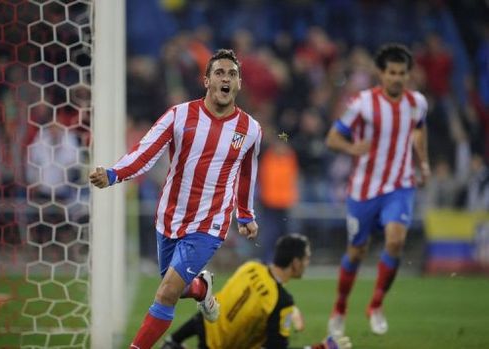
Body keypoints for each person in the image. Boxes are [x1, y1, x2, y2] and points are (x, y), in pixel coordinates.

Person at [89, 49, 262, 349]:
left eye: (232, 74)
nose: (225, 78)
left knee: (167, 292)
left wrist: (245, 215)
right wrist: (115, 173)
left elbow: (246, 174)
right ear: (206, 80)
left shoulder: (250, 130)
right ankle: (201, 288)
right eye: (219, 73)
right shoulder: (180, 115)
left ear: (239, 84)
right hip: (170, 217)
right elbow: (146, 150)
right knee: (177, 288)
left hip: (210, 224)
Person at [325, 43, 430, 336]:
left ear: (408, 75)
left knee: (395, 241)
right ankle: (340, 308)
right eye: (392, 73)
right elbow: (332, 138)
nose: (397, 78)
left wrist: (423, 163)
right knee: (357, 252)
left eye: (402, 73)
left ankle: (376, 304)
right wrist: (352, 147)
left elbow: (420, 128)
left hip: (400, 185)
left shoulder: (417, 103)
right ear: (381, 74)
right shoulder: (361, 104)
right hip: (363, 190)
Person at [160, 234, 351, 349]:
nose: (308, 263)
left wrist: (175, 339)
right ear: (295, 262)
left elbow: (218, 305)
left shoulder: (250, 267)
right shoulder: (282, 301)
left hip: (206, 332)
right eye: (307, 258)